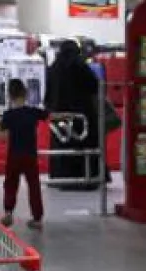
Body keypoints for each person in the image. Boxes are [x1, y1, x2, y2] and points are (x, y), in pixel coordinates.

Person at [45, 38, 102, 190]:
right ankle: (87, 178)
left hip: (60, 116)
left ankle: (62, 178)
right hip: (82, 114)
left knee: (61, 146)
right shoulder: (80, 65)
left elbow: (47, 93)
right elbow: (95, 85)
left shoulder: (53, 68)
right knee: (83, 146)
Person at [0, 78, 48, 229]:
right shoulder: (33, 112)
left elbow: (2, 137)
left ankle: (8, 213)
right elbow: (52, 115)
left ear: (9, 96)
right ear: (25, 94)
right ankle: (37, 218)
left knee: (11, 184)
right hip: (30, 156)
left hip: (14, 155)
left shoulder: (8, 115)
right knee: (34, 186)